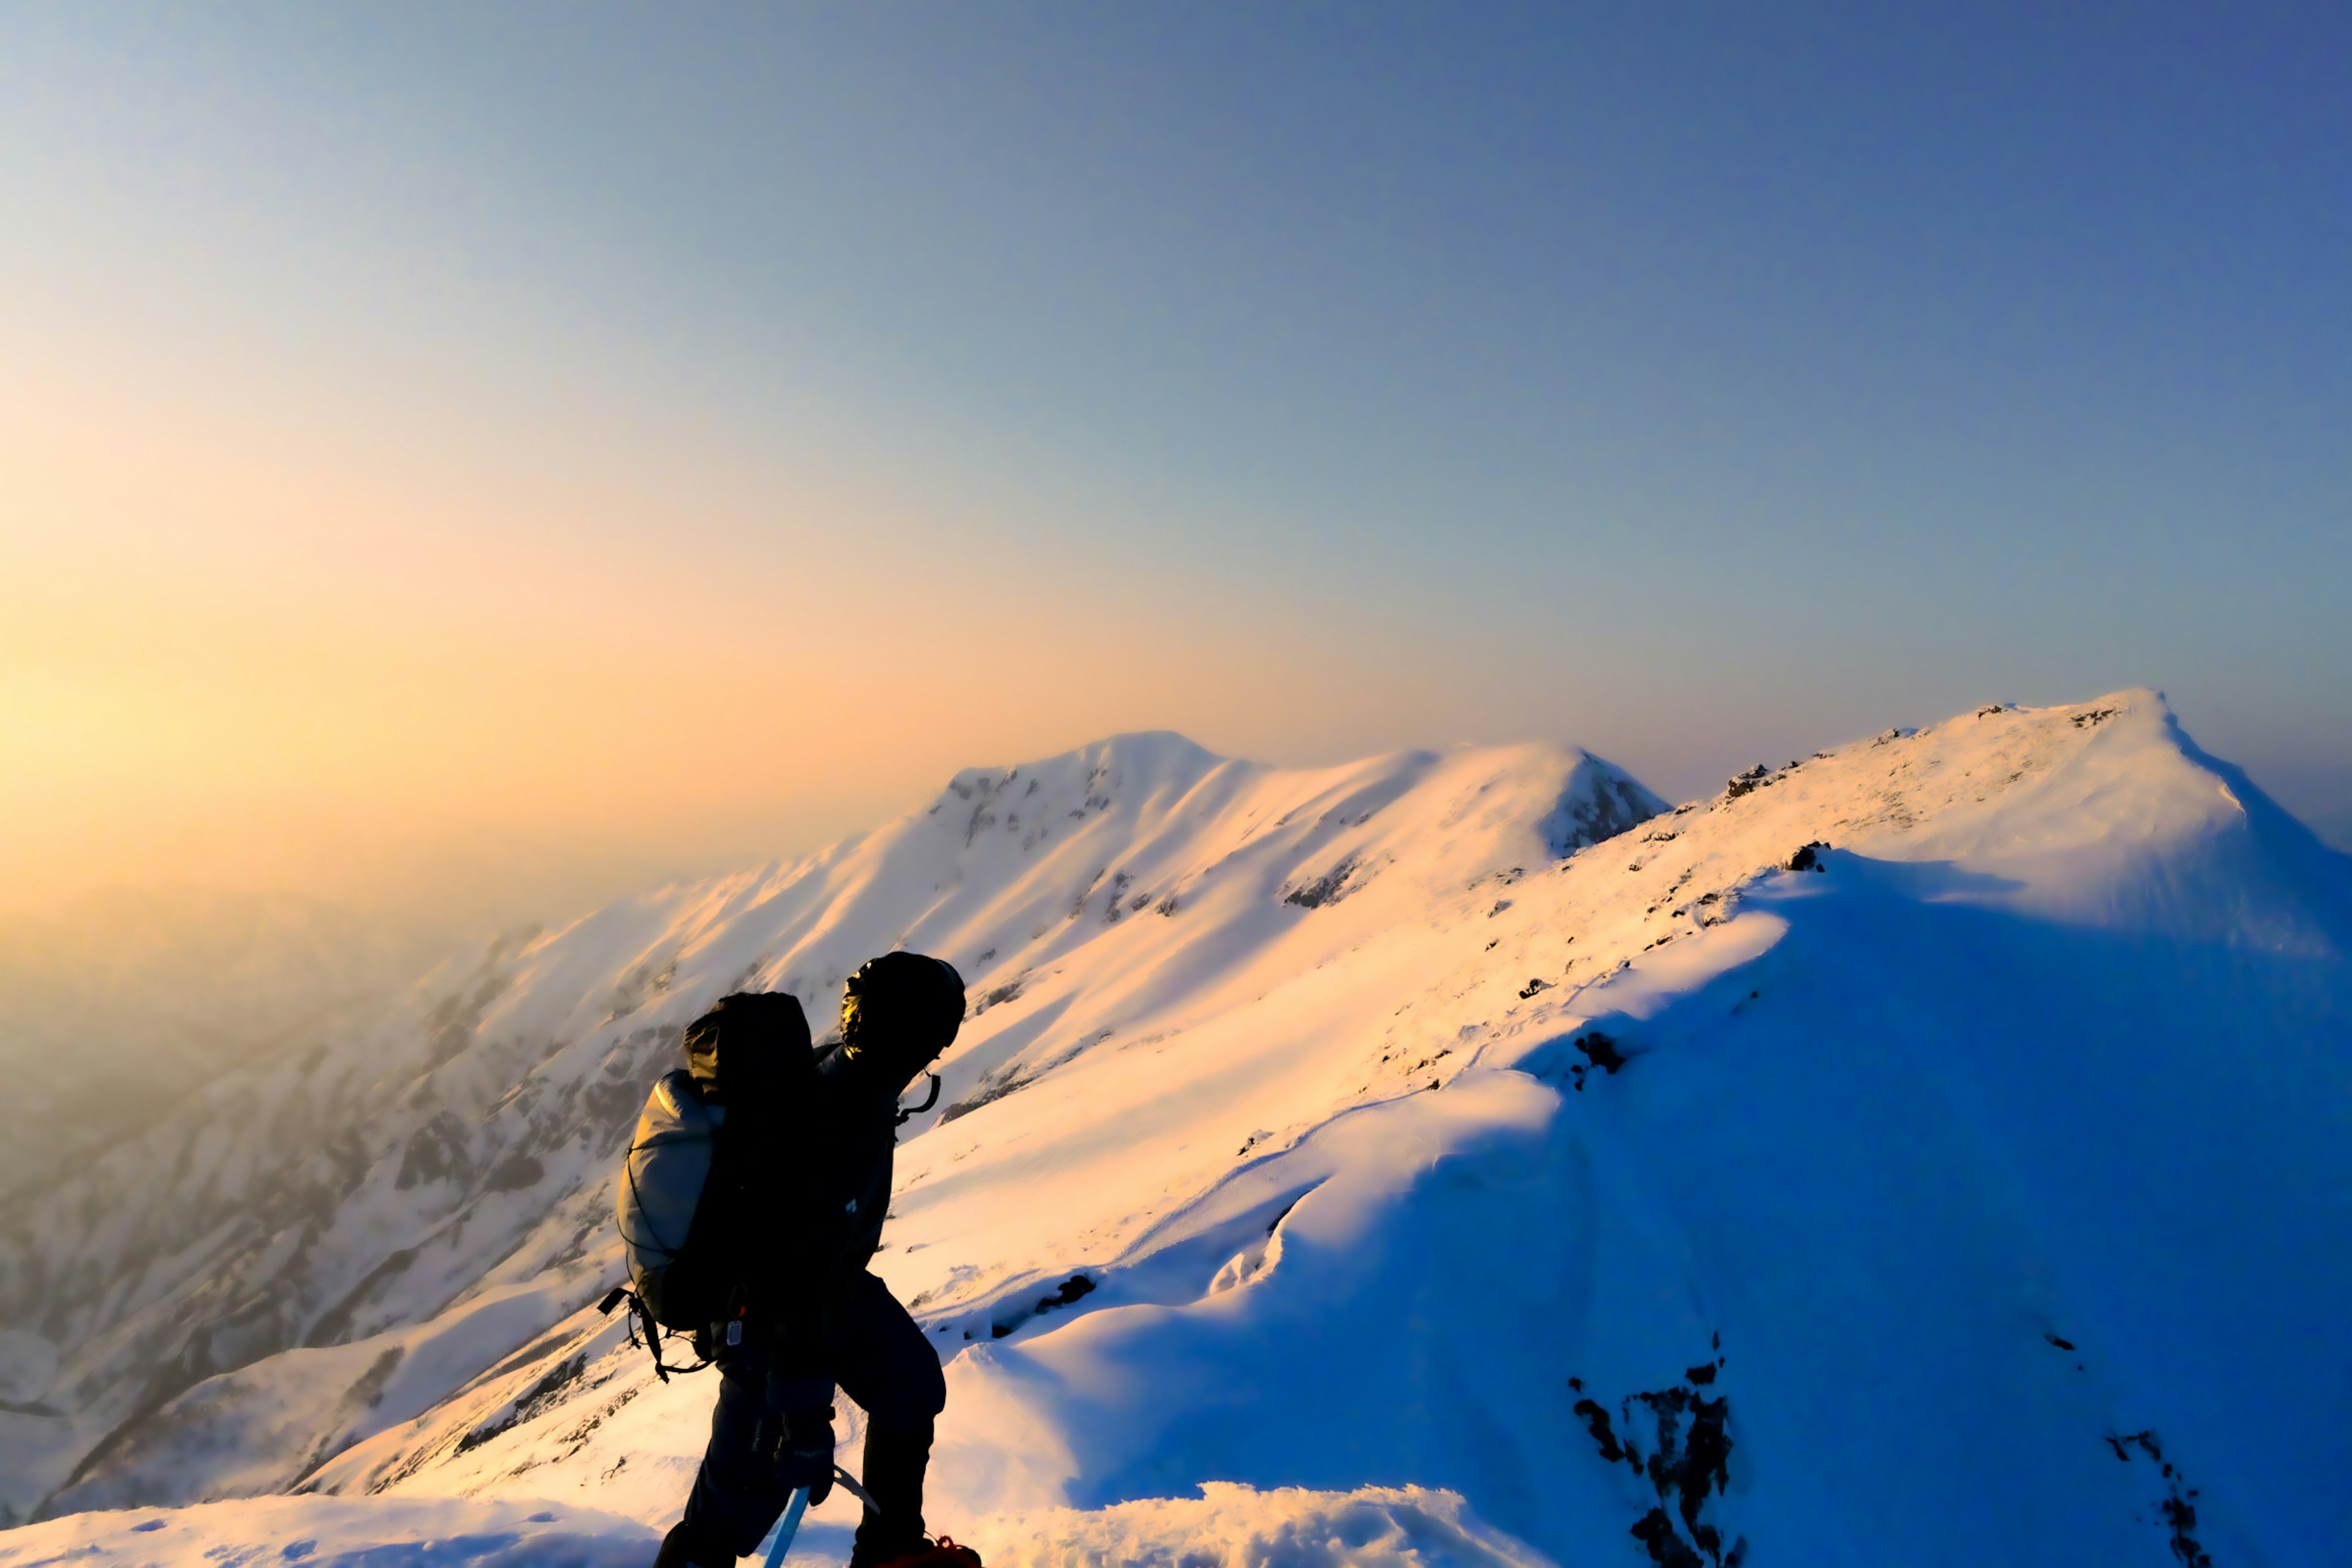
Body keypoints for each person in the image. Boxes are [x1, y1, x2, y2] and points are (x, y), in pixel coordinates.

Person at [652, 952, 967, 1568]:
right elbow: (785, 1275)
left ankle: (891, 1552)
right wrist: (804, 1416)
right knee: (735, 1507)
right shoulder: (842, 1121)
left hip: (824, 1294)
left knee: (910, 1384)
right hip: (763, 1320)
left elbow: (812, 1264)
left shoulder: (848, 1082)